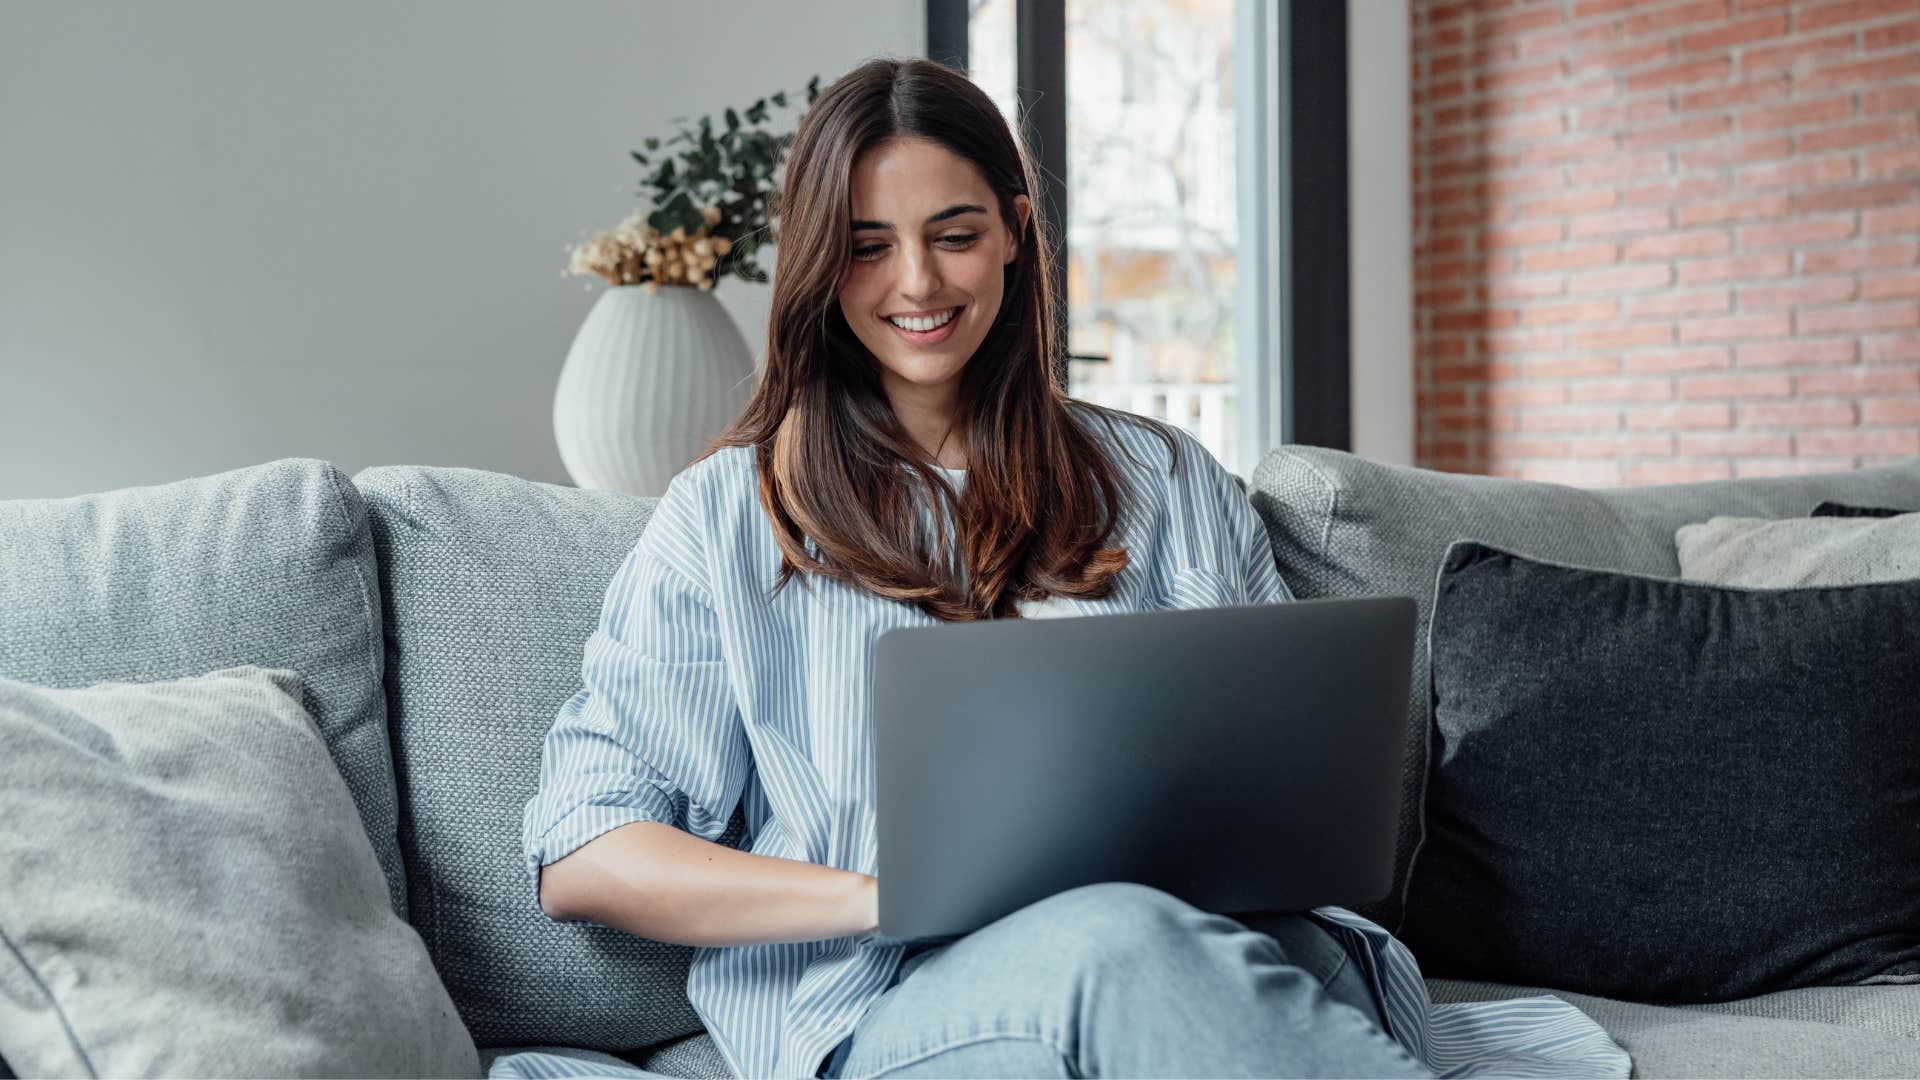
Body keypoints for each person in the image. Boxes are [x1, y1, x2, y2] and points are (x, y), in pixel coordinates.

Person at [495, 57, 1629, 1080]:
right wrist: (886, 897)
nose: (917, 283)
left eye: (954, 234)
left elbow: (1286, 789)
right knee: (1116, 942)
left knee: (1196, 945)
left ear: (1014, 231)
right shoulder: (728, 516)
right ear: (817, 263)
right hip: (900, 999)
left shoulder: (1164, 478)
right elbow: (588, 853)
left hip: (1233, 947)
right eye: (867, 245)